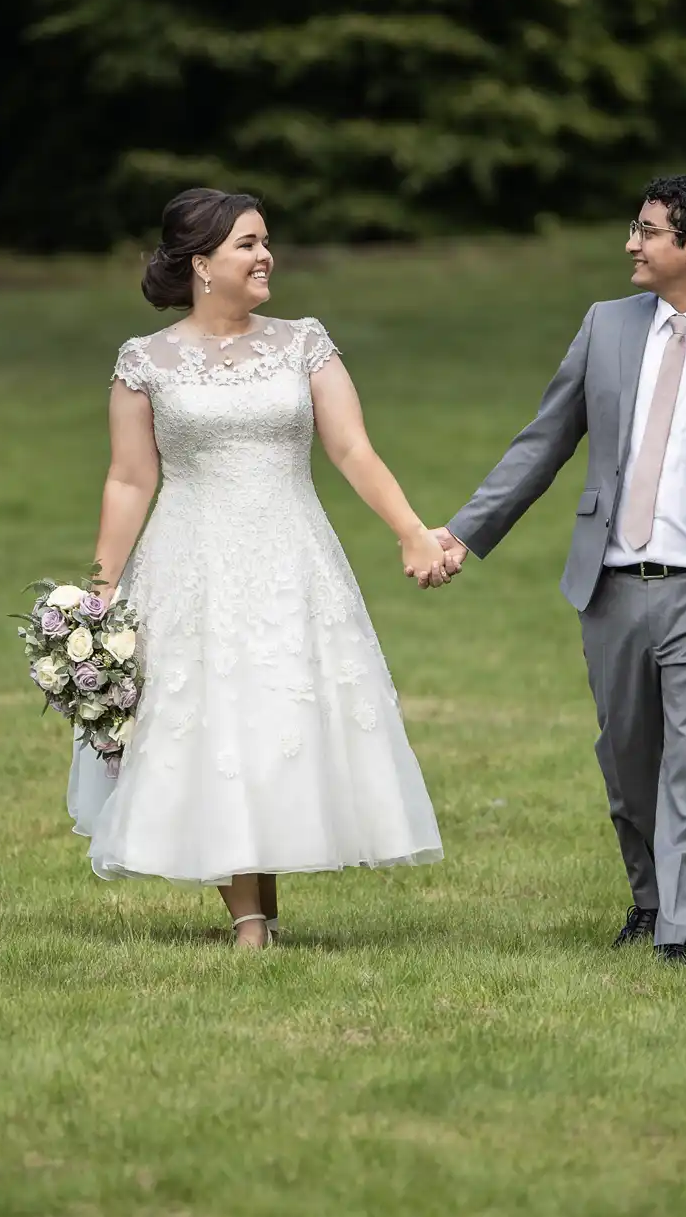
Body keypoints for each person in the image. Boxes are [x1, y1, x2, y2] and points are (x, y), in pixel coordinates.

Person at [428, 175, 686, 964]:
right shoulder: (605, 327)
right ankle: (648, 899)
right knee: (629, 767)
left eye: (647, 230)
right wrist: (465, 532)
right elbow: (543, 442)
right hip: (609, 588)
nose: (631, 244)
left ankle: (677, 933)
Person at [69, 188, 448, 948]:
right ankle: (250, 920)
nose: (265, 254)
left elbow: (351, 449)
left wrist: (412, 530)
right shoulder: (146, 362)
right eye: (247, 243)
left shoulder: (303, 342)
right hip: (193, 559)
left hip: (291, 555)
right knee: (216, 723)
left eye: (265, 240)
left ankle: (258, 913)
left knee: (276, 717)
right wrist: (104, 585)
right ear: (201, 264)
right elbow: (130, 478)